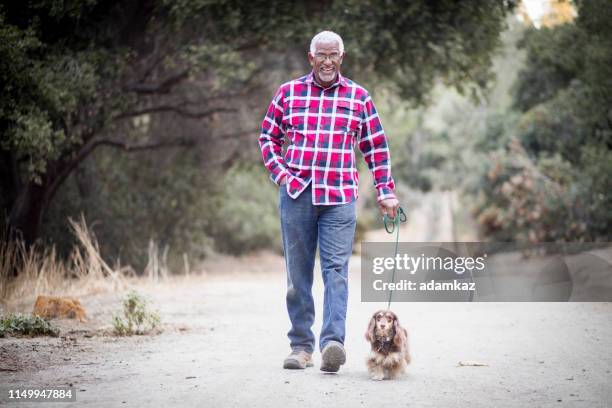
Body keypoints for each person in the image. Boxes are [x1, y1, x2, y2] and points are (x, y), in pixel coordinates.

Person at [258, 30, 399, 372]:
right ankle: (301, 347)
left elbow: (375, 148)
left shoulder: (359, 97)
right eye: (320, 55)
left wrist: (386, 190)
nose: (326, 61)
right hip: (297, 196)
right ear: (311, 58)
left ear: (341, 57)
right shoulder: (288, 93)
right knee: (298, 275)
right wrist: (284, 176)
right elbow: (268, 137)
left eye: (332, 55)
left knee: (336, 271)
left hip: (339, 198)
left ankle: (332, 343)